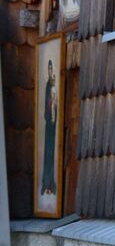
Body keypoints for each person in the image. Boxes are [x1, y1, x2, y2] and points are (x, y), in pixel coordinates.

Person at [41, 59, 57, 197]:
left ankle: (51, 184)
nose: (50, 70)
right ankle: (46, 184)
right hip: (48, 124)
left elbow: (55, 104)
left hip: (54, 124)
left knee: (52, 153)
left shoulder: (54, 85)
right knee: (47, 153)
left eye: (51, 68)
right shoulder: (48, 85)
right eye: (49, 68)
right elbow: (47, 104)